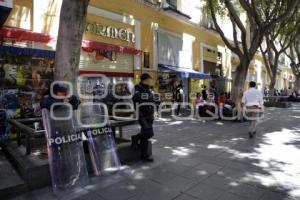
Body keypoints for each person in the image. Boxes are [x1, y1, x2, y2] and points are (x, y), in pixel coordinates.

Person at [132, 73, 159, 162]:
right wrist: (150, 97)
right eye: (149, 80)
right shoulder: (137, 88)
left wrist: (156, 105)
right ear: (145, 80)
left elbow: (154, 100)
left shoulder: (149, 89)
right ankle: (144, 153)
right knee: (148, 132)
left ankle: (137, 140)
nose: (150, 81)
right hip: (141, 114)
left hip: (149, 114)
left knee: (147, 134)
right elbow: (136, 98)